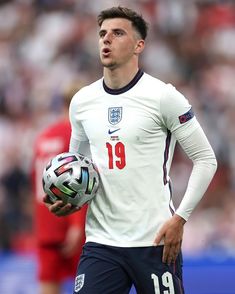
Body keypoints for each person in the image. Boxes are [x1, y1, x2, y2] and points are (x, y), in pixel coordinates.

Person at [44, 6, 217, 294]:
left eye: (117, 33)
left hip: (155, 240)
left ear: (139, 46)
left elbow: (205, 159)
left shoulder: (163, 96)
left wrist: (180, 218)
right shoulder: (82, 101)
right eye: (102, 34)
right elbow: (76, 166)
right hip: (101, 243)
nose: (106, 40)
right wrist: (68, 200)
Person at [32, 85, 87, 294]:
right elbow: (77, 182)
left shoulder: (44, 136)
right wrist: (76, 225)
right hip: (70, 221)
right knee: (86, 285)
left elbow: (34, 181)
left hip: (45, 225)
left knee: (47, 287)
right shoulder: (74, 135)